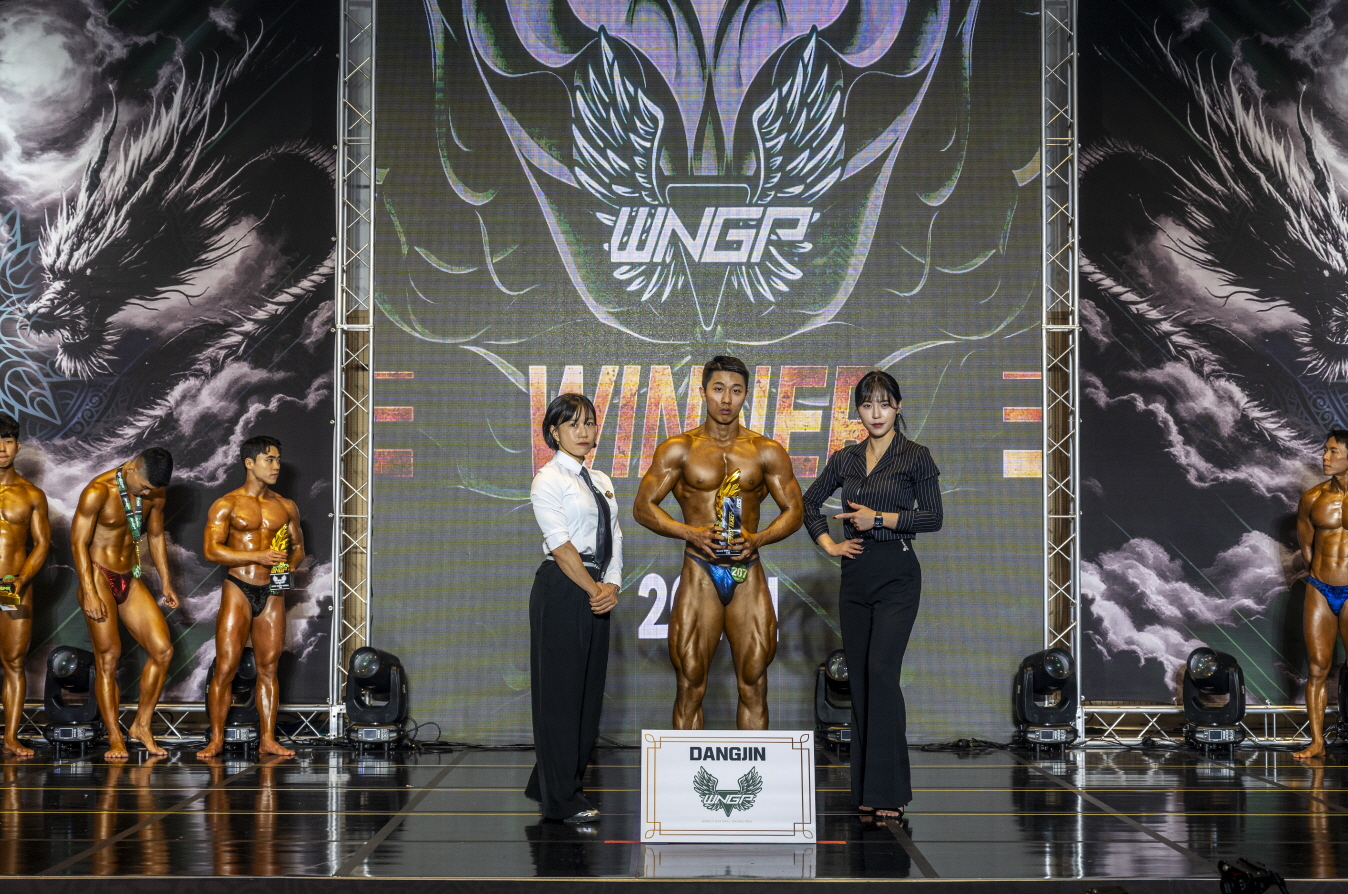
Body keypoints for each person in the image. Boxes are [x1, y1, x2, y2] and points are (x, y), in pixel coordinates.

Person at [633, 355, 803, 730]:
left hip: (747, 569)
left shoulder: (766, 450)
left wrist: (758, 538)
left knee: (754, 681)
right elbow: (643, 507)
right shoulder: (679, 449)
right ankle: (685, 770)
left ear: (746, 395)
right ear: (703, 392)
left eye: (736, 391)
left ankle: (754, 770)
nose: (726, 399)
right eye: (718, 389)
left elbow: (795, 511)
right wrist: (689, 532)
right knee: (690, 681)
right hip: (700, 569)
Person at [802, 370, 942, 818]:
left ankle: (890, 792)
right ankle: (866, 790)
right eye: (867, 405)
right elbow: (809, 503)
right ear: (857, 411)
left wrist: (879, 518)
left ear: (899, 406)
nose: (876, 413)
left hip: (897, 574)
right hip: (856, 575)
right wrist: (830, 544)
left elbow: (933, 517)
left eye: (884, 403)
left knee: (881, 672)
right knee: (861, 679)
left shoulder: (915, 456)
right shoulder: (846, 458)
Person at [526, 393, 622, 822]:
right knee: (561, 696)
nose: (584, 432)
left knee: (587, 695)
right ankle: (561, 800)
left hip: (596, 586)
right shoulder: (548, 479)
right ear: (554, 432)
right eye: (573, 424)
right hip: (563, 588)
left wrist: (612, 585)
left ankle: (550, 782)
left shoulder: (600, 478)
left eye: (589, 423)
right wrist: (593, 588)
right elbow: (561, 546)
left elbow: (615, 536)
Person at [197, 435, 304, 760]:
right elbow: (211, 550)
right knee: (227, 666)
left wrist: (288, 565)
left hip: (272, 591)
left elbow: (298, 548)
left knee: (268, 667)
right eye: (269, 459)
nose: (276, 466)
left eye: (278, 459)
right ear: (249, 463)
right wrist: (258, 556)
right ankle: (216, 739)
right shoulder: (227, 503)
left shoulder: (285, 506)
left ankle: (268, 739)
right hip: (238, 587)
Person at [71, 447, 180, 759]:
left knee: (163, 650)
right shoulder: (97, 491)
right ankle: (115, 738)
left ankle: (141, 725)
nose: (147, 493)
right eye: (144, 486)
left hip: (129, 576)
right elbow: (78, 542)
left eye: (152, 489)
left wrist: (166, 581)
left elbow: (155, 536)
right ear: (131, 468)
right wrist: (89, 591)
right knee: (108, 659)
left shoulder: (155, 493)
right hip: (97, 574)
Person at [1294, 429, 1348, 760]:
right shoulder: (1313, 498)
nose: (1325, 457)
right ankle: (1317, 742)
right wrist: (1321, 577)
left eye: (1332, 451)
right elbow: (1307, 548)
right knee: (1317, 667)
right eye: (1324, 450)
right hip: (1320, 587)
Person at [0, 414, 50, 757]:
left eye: (7, 441)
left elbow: (42, 544)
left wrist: (21, 579)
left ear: (17, 446)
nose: (1, 448)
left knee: (13, 662)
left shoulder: (32, 494)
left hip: (10, 585)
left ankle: (10, 737)